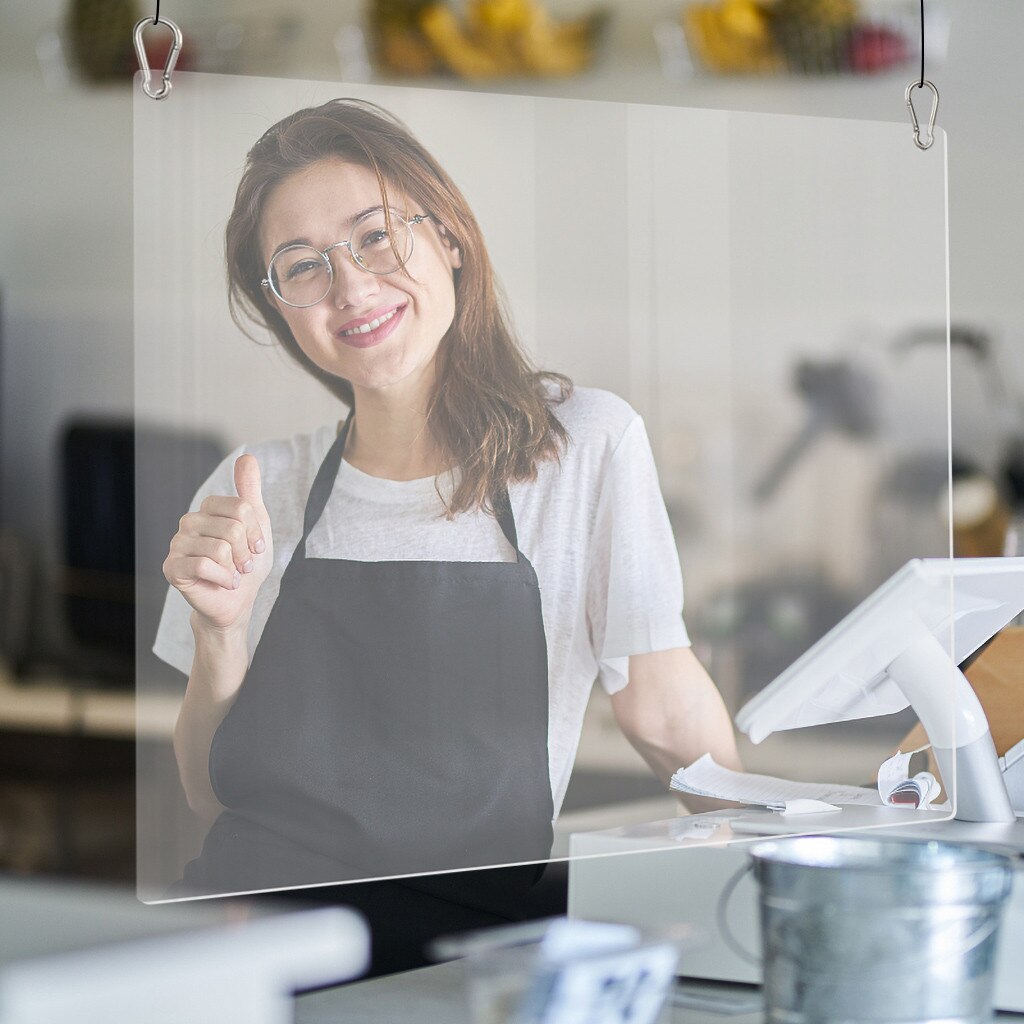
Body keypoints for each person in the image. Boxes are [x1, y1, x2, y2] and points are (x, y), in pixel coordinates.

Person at [154, 97, 740, 971]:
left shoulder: (582, 448)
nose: (350, 285)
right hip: (257, 960)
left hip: (461, 969)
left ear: (452, 239)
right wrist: (219, 632)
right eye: (302, 266)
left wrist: (767, 864)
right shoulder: (255, 489)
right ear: (281, 309)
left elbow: (661, 707)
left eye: (377, 235)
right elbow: (210, 796)